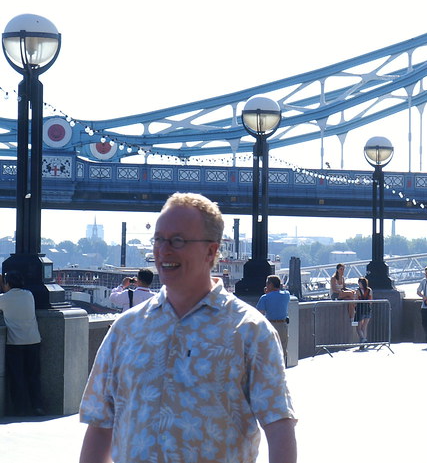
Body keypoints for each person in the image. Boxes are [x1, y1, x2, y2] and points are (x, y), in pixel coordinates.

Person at [79, 192, 296, 463]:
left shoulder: (250, 330)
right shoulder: (125, 329)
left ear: (211, 251)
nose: (164, 249)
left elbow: (279, 425)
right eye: (159, 239)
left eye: (178, 240)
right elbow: (100, 425)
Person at [0, 271, 45, 416]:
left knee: (17, 376)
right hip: (33, 340)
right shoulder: (29, 295)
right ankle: (37, 406)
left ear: (8, 284)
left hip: (15, 342)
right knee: (33, 375)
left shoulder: (3, 299)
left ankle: (20, 408)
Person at [256, 274, 292, 363]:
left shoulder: (265, 298)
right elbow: (283, 291)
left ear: (271, 285)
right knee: (282, 349)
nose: (266, 286)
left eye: (267, 284)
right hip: (283, 325)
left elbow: (259, 314)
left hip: (270, 325)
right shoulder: (286, 295)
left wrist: (267, 293)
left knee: (269, 350)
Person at [353, 277, 373, 347]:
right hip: (367, 309)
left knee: (358, 328)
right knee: (364, 327)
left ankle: (363, 339)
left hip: (360, 310)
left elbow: (355, 300)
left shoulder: (358, 291)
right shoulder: (369, 290)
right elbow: (370, 301)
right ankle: (363, 343)